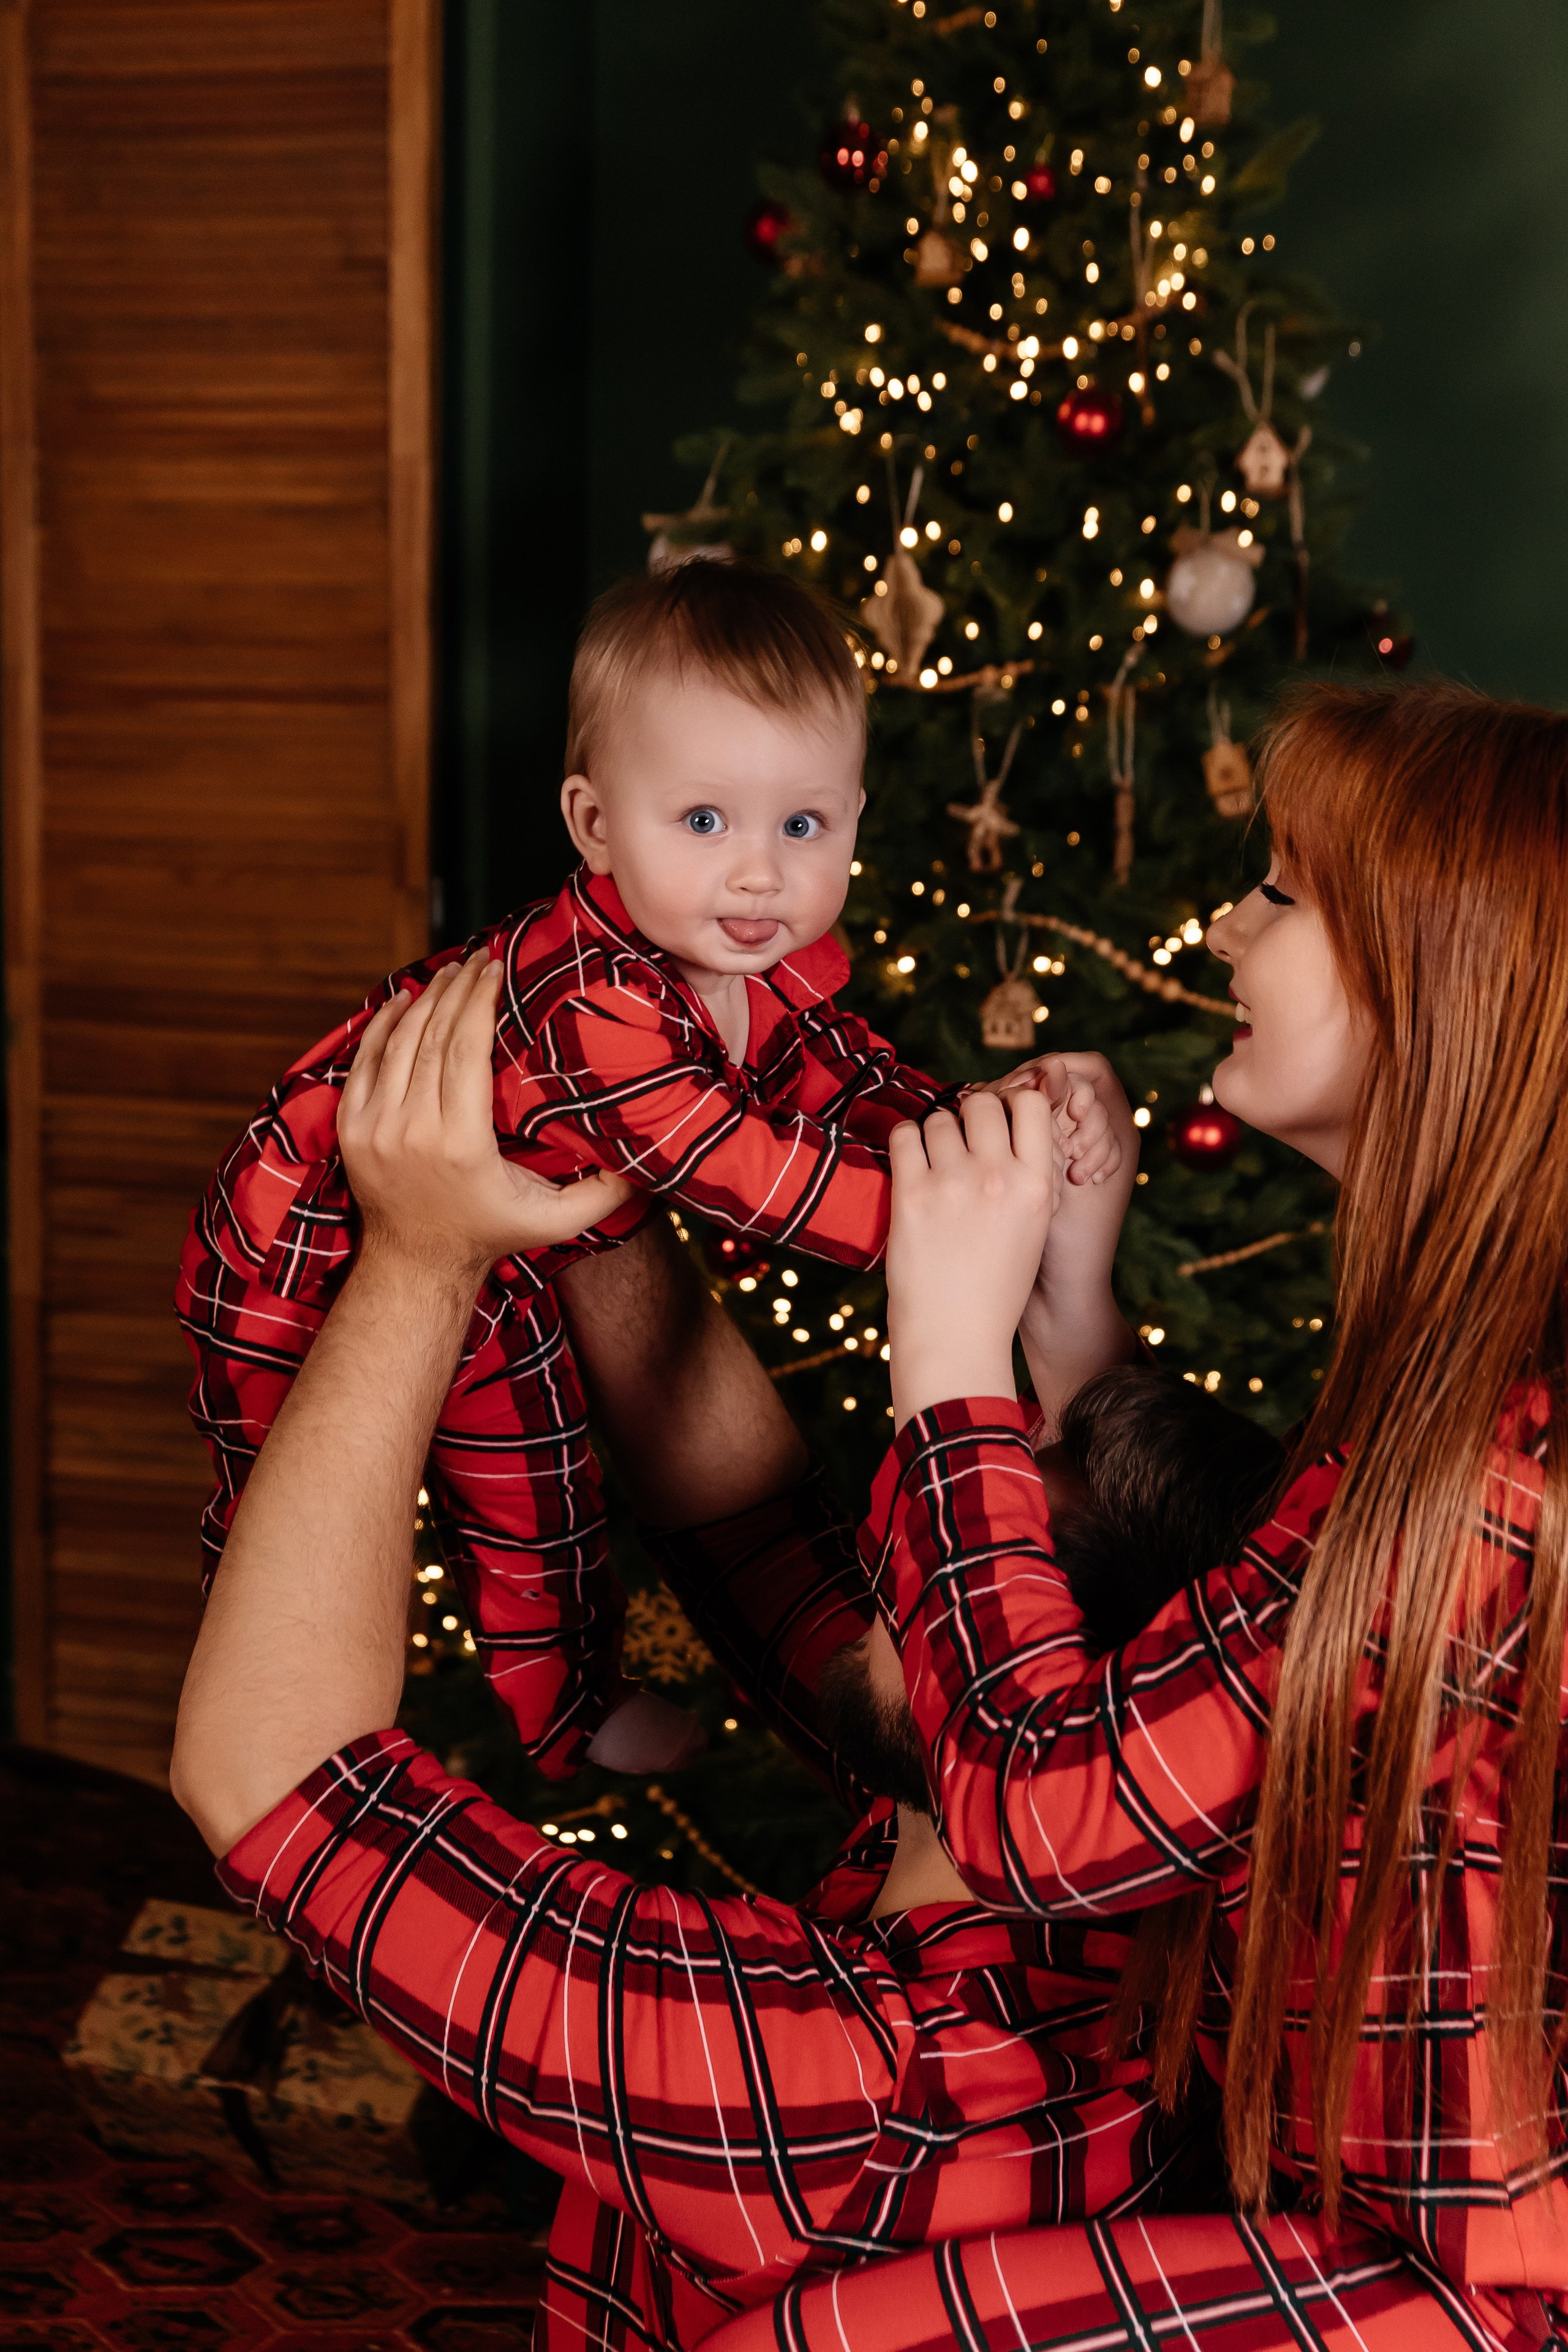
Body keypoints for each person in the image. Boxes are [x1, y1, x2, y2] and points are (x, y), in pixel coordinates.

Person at [171, 954, 1212, 2352]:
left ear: (1034, 1683)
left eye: (951, 1548)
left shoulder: (852, 2082)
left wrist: (425, 1254)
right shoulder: (1097, 1861)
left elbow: (272, 1776)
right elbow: (757, 1539)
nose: (902, 1532)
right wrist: (588, 1174)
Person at [733, 683, 1568, 2352]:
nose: (1226, 926)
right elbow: (1279, 1635)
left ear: (1433, 975)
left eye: (1280, 894)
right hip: (1348, 2200)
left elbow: (1042, 1817)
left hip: (1473, 2285)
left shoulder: (1500, 1472)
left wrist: (954, 1363)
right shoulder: (1468, 1387)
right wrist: (1074, 1315)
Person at [175, 560, 1114, 1784]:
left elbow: (847, 1079)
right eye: (705, 821)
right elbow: (745, 1173)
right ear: (593, 823)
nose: (758, 874)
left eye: (802, 825)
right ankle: (343, 1714)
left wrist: (979, 1128)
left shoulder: (758, 961)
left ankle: (563, 1721)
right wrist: (964, 1219)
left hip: (506, 1244)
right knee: (295, 1509)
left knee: (540, 1480)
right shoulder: (596, 1000)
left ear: (852, 816)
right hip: (297, 1239)